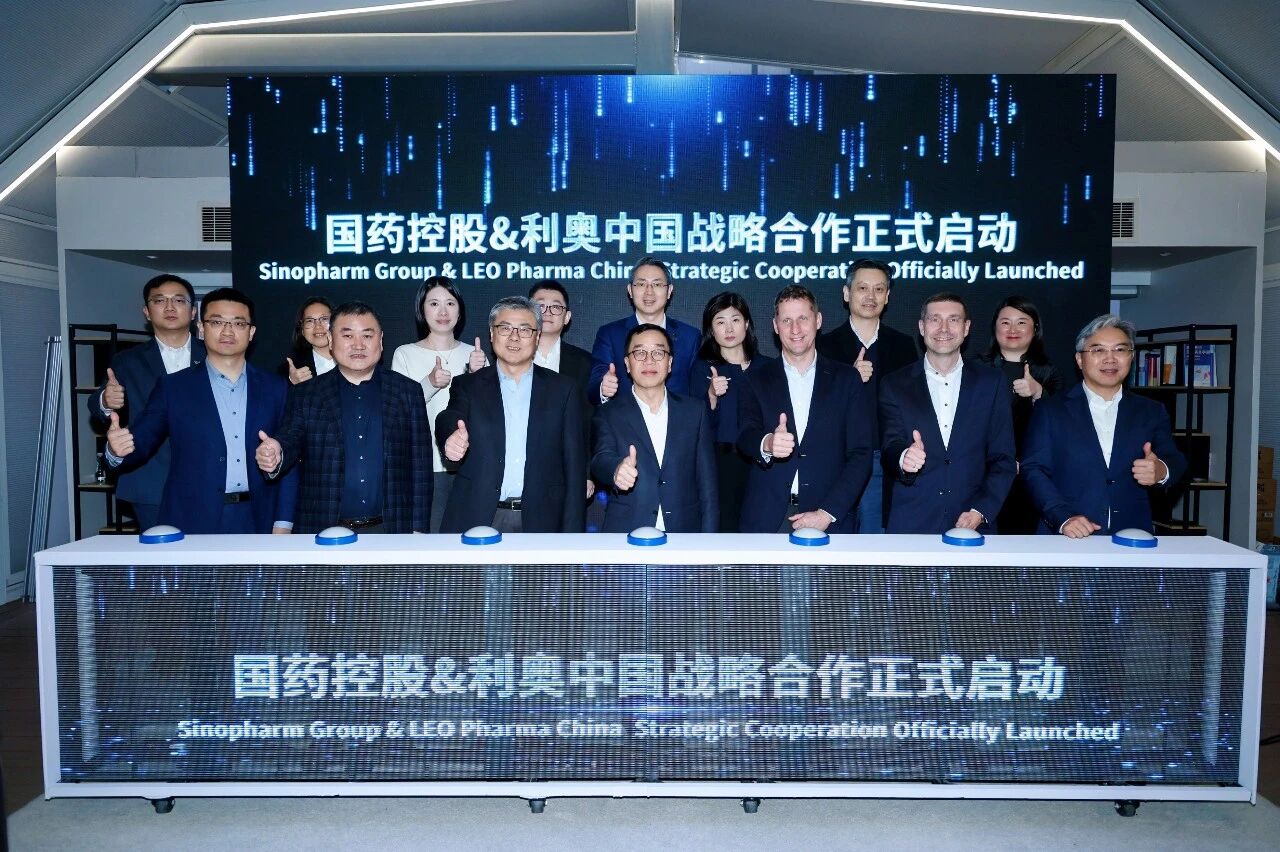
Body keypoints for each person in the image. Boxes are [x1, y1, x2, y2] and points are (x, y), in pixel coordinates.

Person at [104, 288, 296, 534]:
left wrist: (283, 521)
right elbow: (142, 439)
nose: (227, 331)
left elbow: (290, 456)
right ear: (201, 328)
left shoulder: (276, 388)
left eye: (238, 323)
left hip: (259, 517)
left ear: (251, 333)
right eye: (217, 322)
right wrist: (115, 450)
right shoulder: (174, 388)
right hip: (191, 519)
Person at [256, 301, 433, 534]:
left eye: (367, 336)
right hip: (323, 530)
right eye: (347, 336)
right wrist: (275, 453)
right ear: (331, 340)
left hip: (392, 531)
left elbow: (421, 467)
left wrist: (419, 531)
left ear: (380, 340)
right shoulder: (306, 393)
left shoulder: (407, 391)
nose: (358, 345)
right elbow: (289, 439)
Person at [1021, 314, 1187, 536]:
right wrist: (1063, 517)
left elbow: (1174, 459)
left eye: (1120, 350)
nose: (1110, 359)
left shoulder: (1151, 411)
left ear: (1131, 357)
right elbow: (1033, 470)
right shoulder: (1051, 410)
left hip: (1132, 535)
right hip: (1065, 536)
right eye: (1098, 350)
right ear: (1080, 360)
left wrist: (1161, 470)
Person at [437, 296, 586, 534]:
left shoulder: (563, 390)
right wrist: (451, 436)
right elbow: (449, 416)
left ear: (537, 336)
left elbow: (575, 466)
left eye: (524, 330)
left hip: (543, 521)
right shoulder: (468, 385)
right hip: (478, 517)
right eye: (505, 328)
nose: (514, 337)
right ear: (492, 334)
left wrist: (572, 535)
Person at [735, 285, 873, 534]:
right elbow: (745, 435)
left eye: (803, 319)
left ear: (818, 321)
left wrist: (828, 512)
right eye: (786, 321)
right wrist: (768, 443)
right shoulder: (754, 378)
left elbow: (861, 454)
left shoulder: (847, 379)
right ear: (775, 326)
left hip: (830, 517)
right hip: (767, 518)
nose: (795, 329)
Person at [880, 292, 1016, 534]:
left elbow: (1003, 458)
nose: (944, 328)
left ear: (966, 328)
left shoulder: (991, 382)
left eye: (953, 320)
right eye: (935, 319)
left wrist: (981, 510)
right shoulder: (894, 384)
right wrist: (904, 458)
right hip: (911, 523)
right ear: (922, 327)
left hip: (973, 521)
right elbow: (890, 445)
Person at [89, 273, 206, 531]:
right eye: (159, 300)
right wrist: (106, 400)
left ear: (193, 311)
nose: (170, 307)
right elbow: (97, 405)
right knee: (160, 554)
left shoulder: (214, 355)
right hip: (151, 481)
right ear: (146, 312)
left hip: (209, 480)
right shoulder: (127, 361)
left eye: (179, 300)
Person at [817, 259, 918, 533]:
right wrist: (847, 380)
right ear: (846, 293)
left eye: (879, 289)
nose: (870, 296)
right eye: (862, 288)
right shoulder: (823, 347)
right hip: (837, 461)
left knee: (875, 546)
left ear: (887, 296)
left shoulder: (903, 346)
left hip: (884, 462)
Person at [591, 324, 717, 533]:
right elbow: (600, 459)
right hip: (626, 533)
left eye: (658, 353)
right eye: (639, 353)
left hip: (685, 533)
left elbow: (708, 486)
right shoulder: (608, 412)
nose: (649, 360)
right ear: (627, 364)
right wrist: (616, 470)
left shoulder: (695, 411)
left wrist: (708, 540)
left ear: (670, 363)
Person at [389, 276, 487, 532]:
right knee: (429, 542)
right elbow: (397, 412)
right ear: (422, 310)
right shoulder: (405, 353)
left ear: (460, 310)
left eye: (450, 303)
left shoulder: (475, 355)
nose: (443, 312)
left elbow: (489, 414)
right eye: (434, 304)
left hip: (470, 466)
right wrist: (429, 383)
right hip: (425, 467)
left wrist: (476, 375)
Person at [976, 295, 1064, 533]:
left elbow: (1062, 427)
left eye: (1021, 322)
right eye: (1005, 322)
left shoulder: (1049, 372)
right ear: (995, 327)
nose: (1012, 329)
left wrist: (1039, 393)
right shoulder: (975, 368)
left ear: (1035, 329)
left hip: (1030, 478)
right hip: (984, 475)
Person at [689, 291, 768, 532]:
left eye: (735, 319)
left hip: (762, 464)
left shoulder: (768, 367)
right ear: (711, 330)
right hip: (720, 465)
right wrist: (711, 395)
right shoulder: (702, 369)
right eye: (720, 322)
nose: (729, 328)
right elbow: (694, 427)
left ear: (747, 323)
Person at [587, 256, 700, 403]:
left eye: (657, 284)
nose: (649, 292)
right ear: (630, 290)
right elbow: (593, 387)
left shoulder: (690, 336)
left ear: (669, 291)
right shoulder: (610, 334)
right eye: (641, 284)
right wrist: (603, 388)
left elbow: (697, 391)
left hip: (678, 416)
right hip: (626, 416)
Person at [529, 279, 597, 503]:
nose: (547, 312)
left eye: (556, 307)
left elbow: (589, 422)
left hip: (569, 469)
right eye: (540, 305)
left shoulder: (584, 362)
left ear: (567, 317)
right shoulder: (510, 358)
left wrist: (587, 473)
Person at [282, 296, 336, 384]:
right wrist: (294, 384)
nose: (318, 326)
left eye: (324, 319)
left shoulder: (355, 359)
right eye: (310, 321)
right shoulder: (290, 371)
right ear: (302, 330)